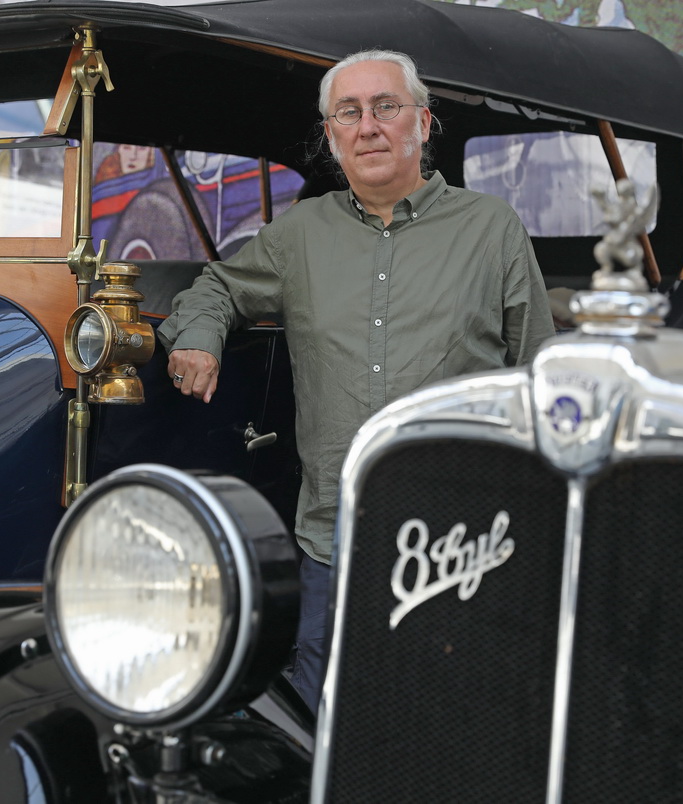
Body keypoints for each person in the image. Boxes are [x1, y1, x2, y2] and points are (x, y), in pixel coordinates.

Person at [157, 49, 554, 712]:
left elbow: (539, 378)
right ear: (332, 137)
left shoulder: (493, 230)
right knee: (318, 731)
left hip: (458, 548)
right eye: (349, 112)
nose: (368, 126)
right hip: (331, 544)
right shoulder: (303, 234)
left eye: (386, 107)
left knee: (455, 723)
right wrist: (197, 340)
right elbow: (217, 288)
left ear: (422, 125)